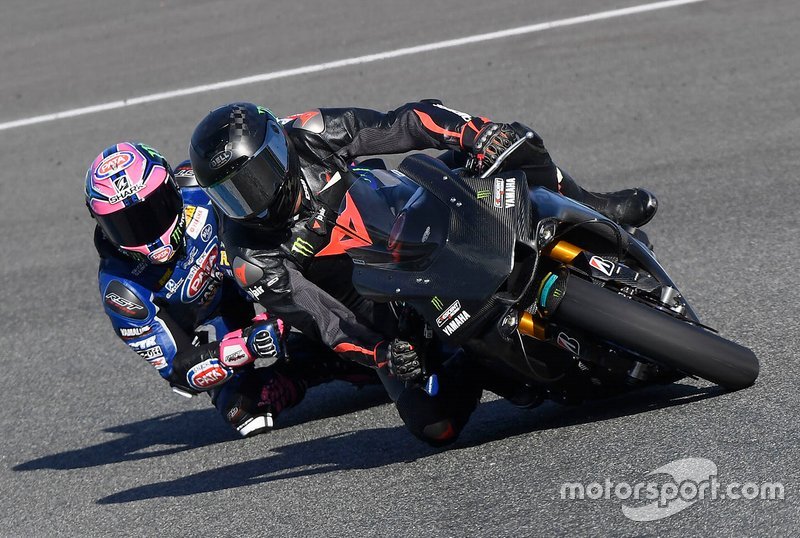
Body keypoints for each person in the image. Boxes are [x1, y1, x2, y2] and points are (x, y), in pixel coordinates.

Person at [187, 100, 658, 445]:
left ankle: (596, 207)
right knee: (434, 425)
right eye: (231, 195)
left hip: (417, 212)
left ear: (277, 152)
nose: (249, 202)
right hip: (384, 306)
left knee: (516, 144)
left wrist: (471, 134)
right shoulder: (251, 259)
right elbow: (327, 323)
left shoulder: (308, 131)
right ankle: (481, 363)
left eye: (251, 181)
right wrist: (382, 353)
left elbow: (405, 122)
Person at [85, 142, 376, 437]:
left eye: (153, 211)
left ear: (171, 187)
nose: (147, 231)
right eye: (126, 224)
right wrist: (247, 344)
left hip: (260, 269)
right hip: (216, 323)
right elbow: (179, 370)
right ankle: (316, 361)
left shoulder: (200, 186)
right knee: (242, 410)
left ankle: (366, 302)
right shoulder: (121, 291)